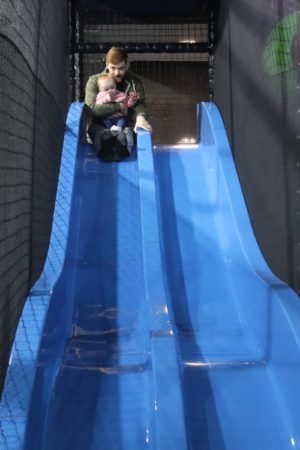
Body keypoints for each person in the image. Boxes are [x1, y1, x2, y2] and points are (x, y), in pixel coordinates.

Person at [85, 47, 152, 162]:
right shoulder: (95, 81)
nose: (117, 73)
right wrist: (119, 106)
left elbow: (140, 104)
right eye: (113, 68)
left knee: (128, 133)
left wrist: (141, 117)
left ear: (127, 65)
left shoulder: (134, 83)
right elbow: (90, 109)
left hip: (124, 125)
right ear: (106, 65)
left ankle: (123, 146)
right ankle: (105, 145)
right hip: (101, 125)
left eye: (121, 68)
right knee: (100, 133)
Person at [95, 74, 139, 155]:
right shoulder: (100, 96)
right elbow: (97, 104)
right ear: (100, 90)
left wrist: (132, 99)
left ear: (115, 86)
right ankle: (110, 133)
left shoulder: (120, 94)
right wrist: (108, 98)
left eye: (112, 87)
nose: (110, 91)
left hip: (119, 117)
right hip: (107, 118)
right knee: (105, 122)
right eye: (106, 89)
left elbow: (128, 104)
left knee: (122, 121)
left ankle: (119, 131)